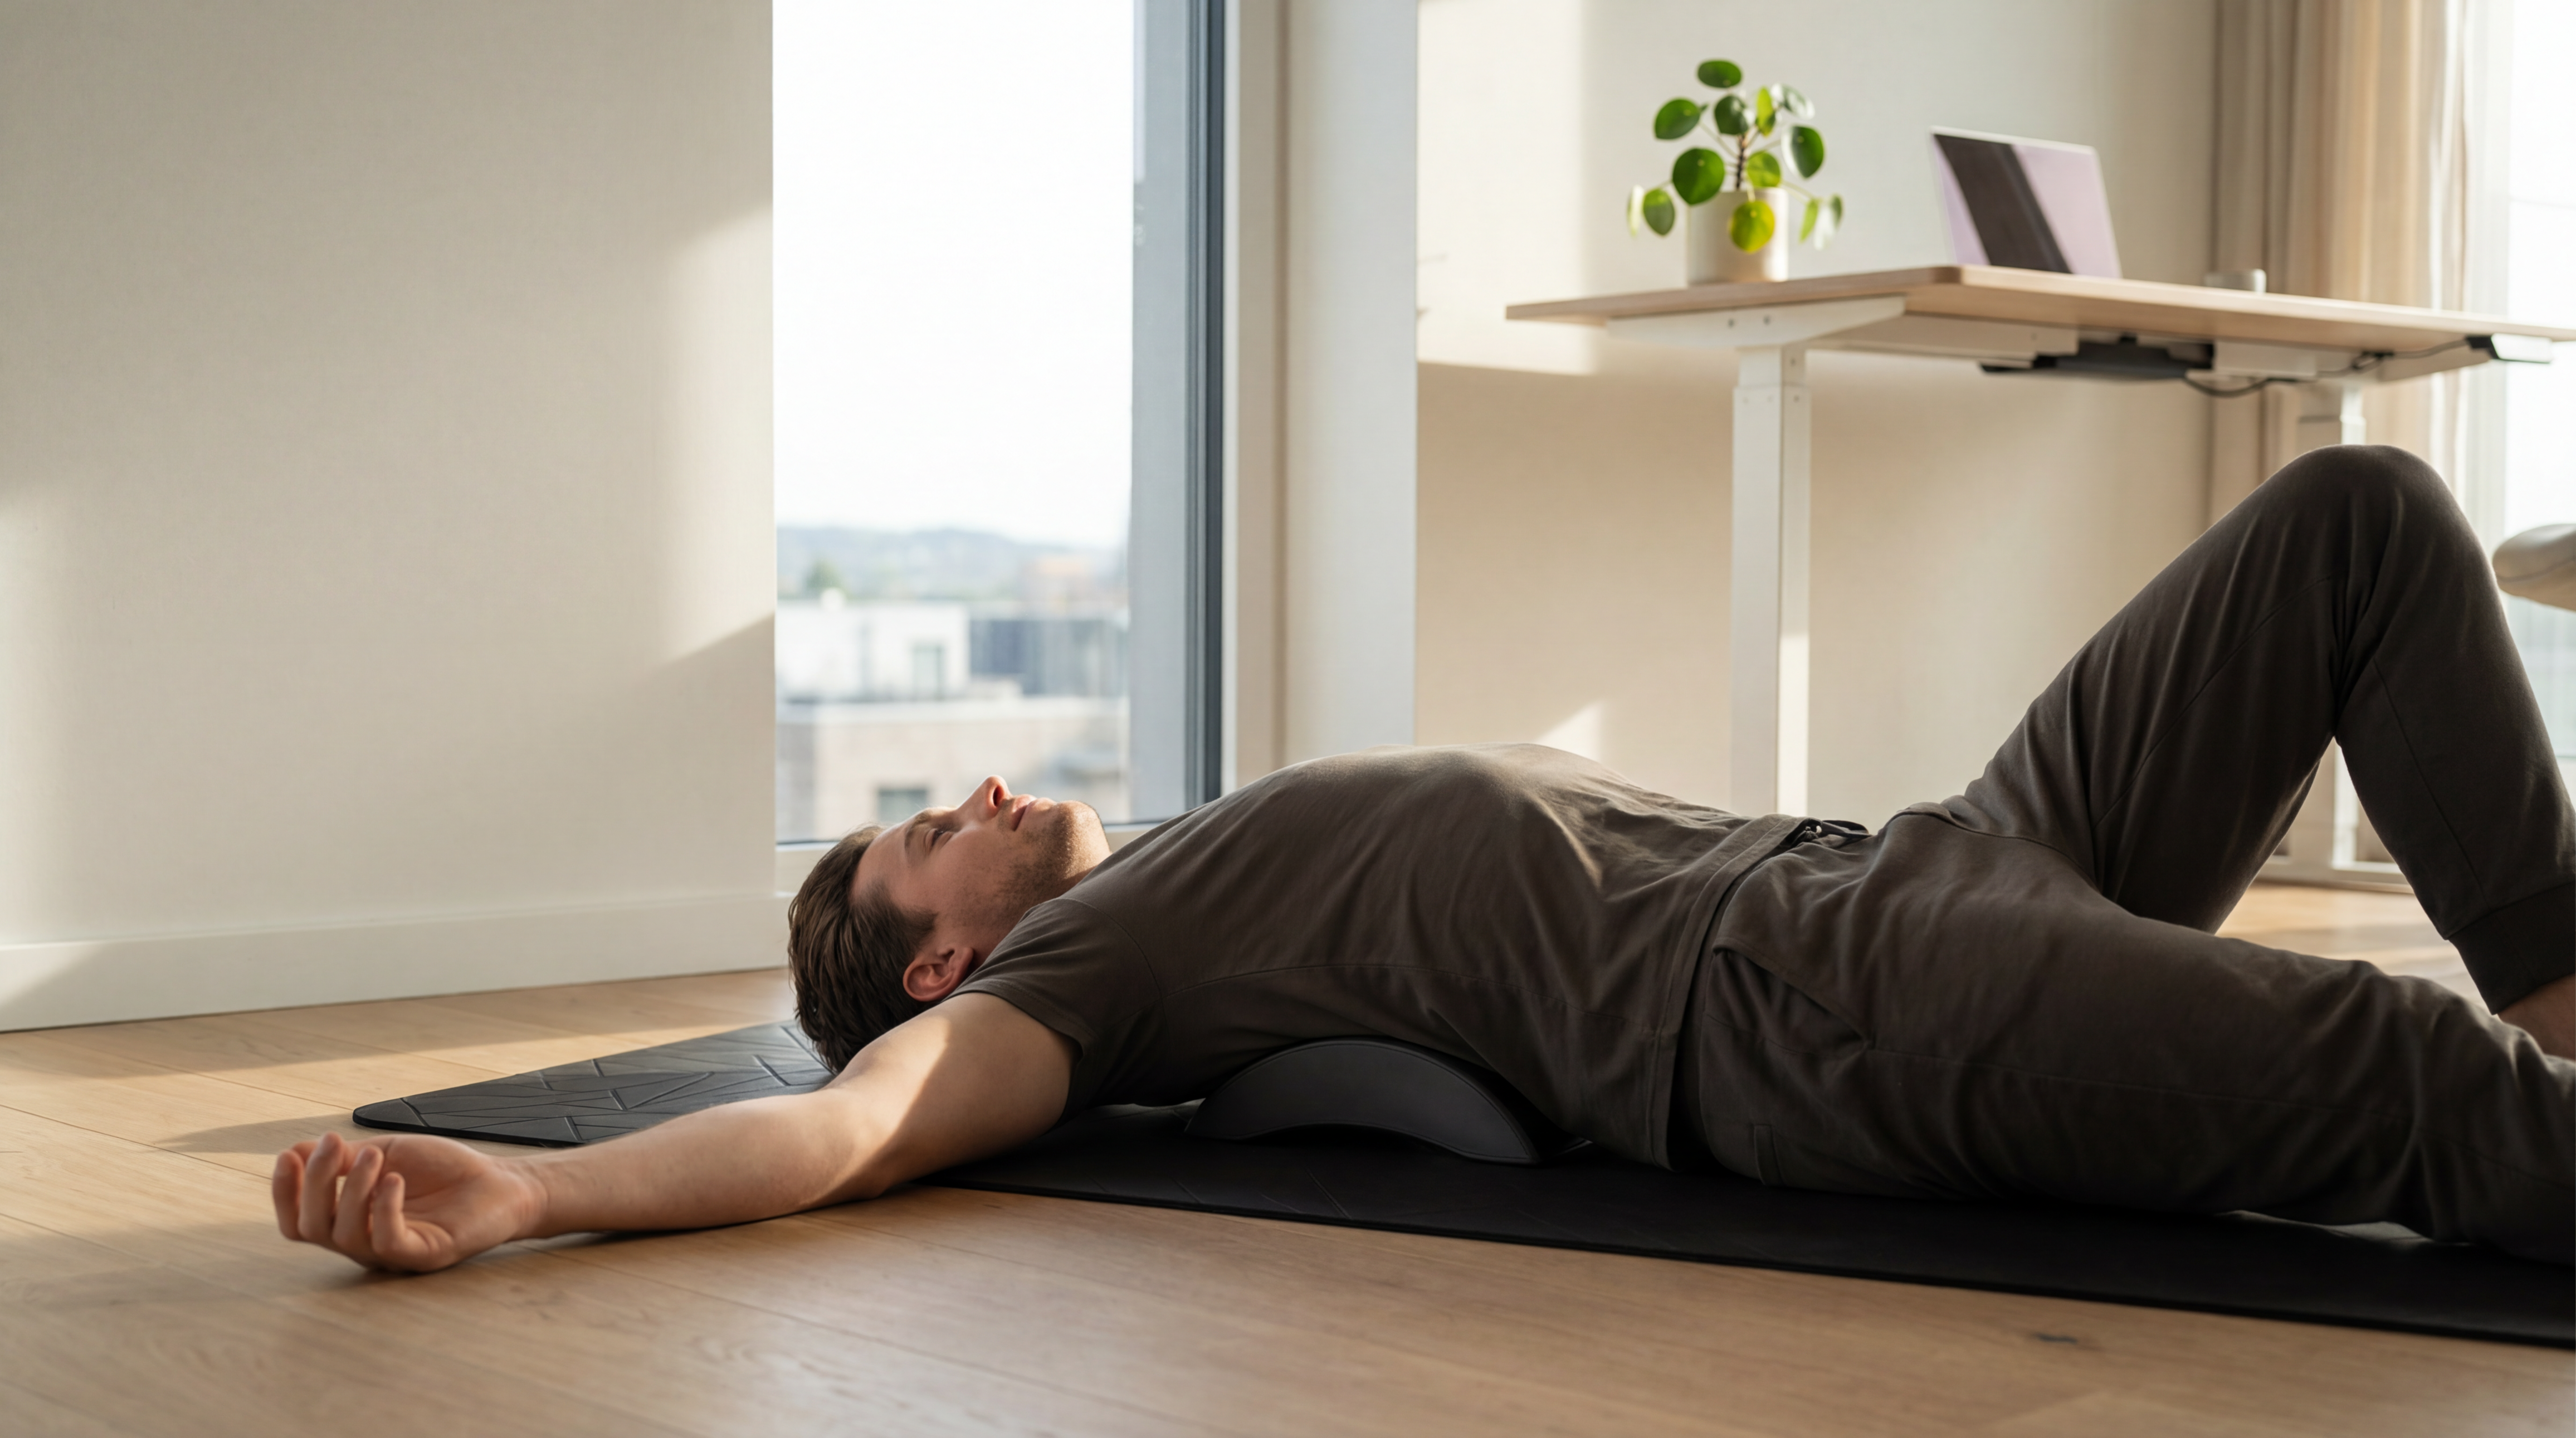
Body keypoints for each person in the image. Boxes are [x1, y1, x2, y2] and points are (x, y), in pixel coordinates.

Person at [273, 446, 2575, 1272]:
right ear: (939, 976)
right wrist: (540, 1193)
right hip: (1822, 1013)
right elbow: (848, 1130)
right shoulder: (1075, 991)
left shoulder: (1170, 866)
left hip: (1922, 857)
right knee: (2394, 1082)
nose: (978, 796)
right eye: (922, 848)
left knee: (2353, 523)